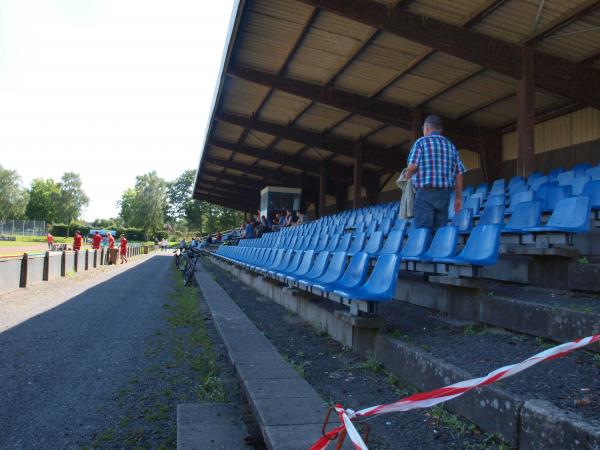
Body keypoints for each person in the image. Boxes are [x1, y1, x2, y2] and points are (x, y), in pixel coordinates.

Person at [404, 115, 466, 231]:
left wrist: (405, 177)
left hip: (425, 194)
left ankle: (423, 249)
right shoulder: (450, 146)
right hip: (444, 195)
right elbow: (459, 174)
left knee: (422, 231)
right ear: (440, 130)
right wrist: (458, 198)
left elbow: (412, 167)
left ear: (426, 128)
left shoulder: (421, 142)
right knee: (439, 231)